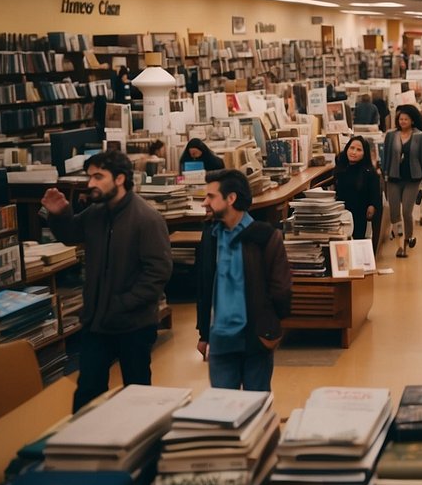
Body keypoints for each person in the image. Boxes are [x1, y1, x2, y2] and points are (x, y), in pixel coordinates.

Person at [41, 151, 172, 412]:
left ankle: (141, 446)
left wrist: (123, 303)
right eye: (90, 177)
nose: (91, 184)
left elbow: (158, 272)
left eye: (99, 177)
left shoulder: (146, 219)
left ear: (120, 178)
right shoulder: (95, 213)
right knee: (88, 392)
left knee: (137, 394)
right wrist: (60, 214)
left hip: (133, 323)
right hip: (97, 322)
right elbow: (71, 234)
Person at [195, 169, 292, 391]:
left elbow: (281, 289)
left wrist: (272, 331)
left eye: (211, 196)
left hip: (254, 339)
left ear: (231, 198)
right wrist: (204, 333)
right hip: (220, 342)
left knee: (257, 412)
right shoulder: (210, 236)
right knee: (222, 413)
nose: (204, 203)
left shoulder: (265, 237)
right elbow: (204, 286)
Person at [381, 104, 422, 259]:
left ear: (412, 120)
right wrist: (384, 174)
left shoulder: (420, 136)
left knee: (406, 212)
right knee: (395, 213)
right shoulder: (391, 135)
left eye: (406, 119)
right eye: (400, 119)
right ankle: (399, 245)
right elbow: (386, 157)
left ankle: (408, 238)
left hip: (412, 179)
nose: (402, 121)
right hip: (394, 179)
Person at [334, 136, 383, 240]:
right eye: (351, 148)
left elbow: (375, 194)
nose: (354, 152)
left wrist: (372, 206)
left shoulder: (369, 172)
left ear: (364, 153)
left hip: (360, 213)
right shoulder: (341, 168)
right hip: (341, 213)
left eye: (359, 150)